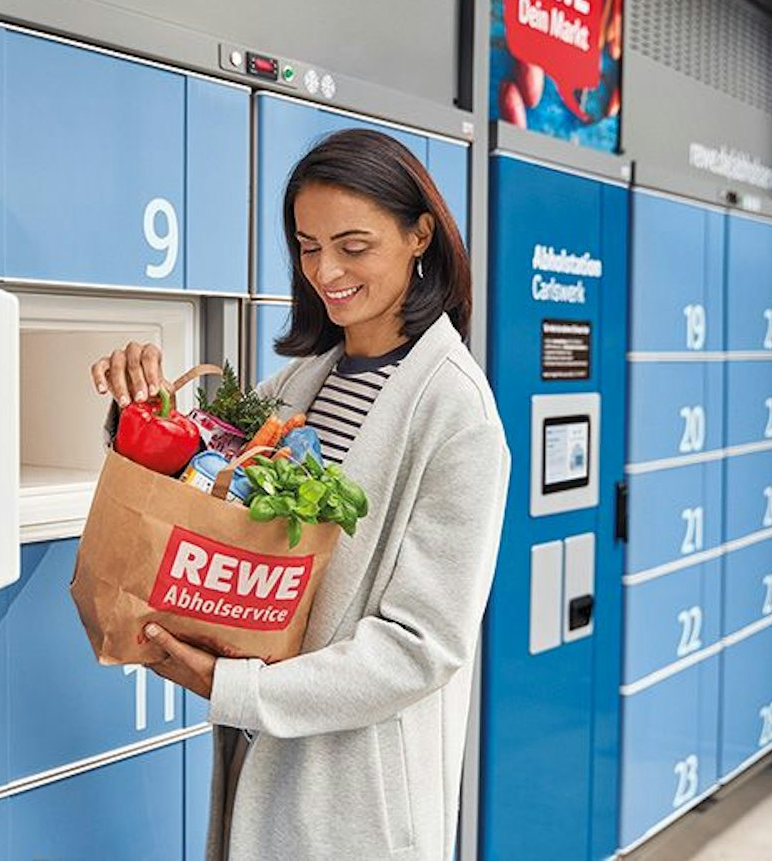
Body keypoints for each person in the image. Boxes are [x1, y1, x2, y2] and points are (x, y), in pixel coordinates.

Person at [89, 128, 509, 860]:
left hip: (355, 796)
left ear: (420, 236)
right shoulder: (303, 380)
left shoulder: (457, 413)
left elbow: (421, 647)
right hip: (264, 759)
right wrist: (142, 408)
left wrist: (235, 687)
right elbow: (205, 480)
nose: (326, 270)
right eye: (308, 246)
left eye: (353, 245)